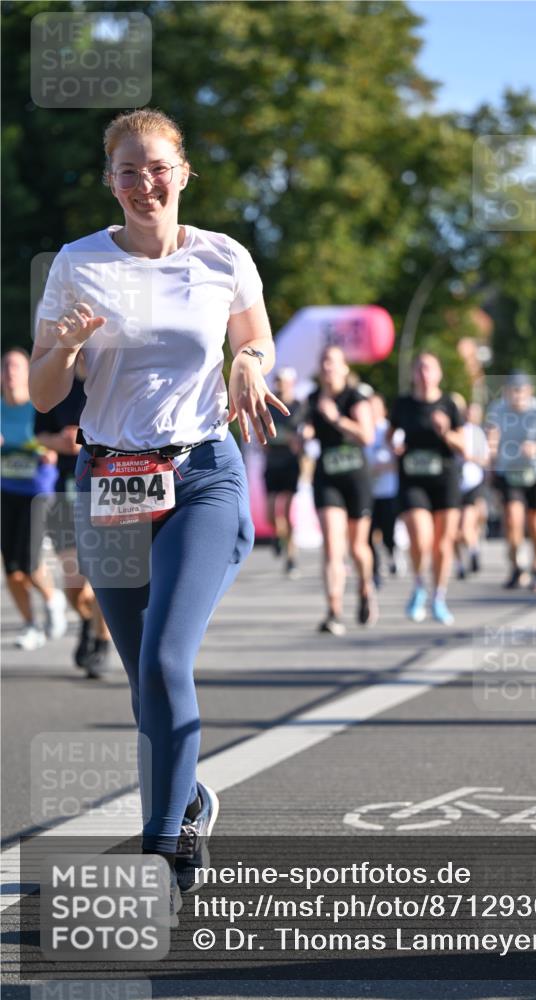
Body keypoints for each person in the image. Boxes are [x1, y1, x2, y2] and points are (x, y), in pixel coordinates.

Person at [29, 108, 287, 919]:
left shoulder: (223, 257)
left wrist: (246, 361)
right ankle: (186, 800)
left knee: (168, 662)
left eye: (158, 167)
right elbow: (42, 392)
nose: (146, 183)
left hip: (202, 470)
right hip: (108, 480)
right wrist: (64, 349)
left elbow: (258, 342)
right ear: (111, 180)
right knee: (145, 681)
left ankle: (160, 857)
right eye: (128, 171)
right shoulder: (76, 264)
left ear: (184, 173)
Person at [34, 357, 114, 676]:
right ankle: (86, 620)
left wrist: (83, 438)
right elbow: (39, 433)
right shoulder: (58, 381)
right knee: (74, 582)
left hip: (108, 485)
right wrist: (61, 442)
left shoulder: (112, 374)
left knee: (106, 574)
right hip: (65, 488)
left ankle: (102, 639)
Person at [300, 345, 376, 635]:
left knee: (358, 547)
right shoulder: (313, 399)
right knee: (333, 546)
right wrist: (302, 435)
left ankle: (366, 589)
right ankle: (334, 611)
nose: (328, 367)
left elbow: (366, 435)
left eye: (333, 362)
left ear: (344, 367)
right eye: (324, 362)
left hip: (356, 477)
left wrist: (335, 418)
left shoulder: (355, 397)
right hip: (327, 476)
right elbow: (304, 428)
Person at [389, 352, 465, 625]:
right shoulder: (403, 404)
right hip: (413, 479)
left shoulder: (450, 404)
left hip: (444, 480)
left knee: (443, 546)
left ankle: (439, 597)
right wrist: (393, 446)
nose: (424, 373)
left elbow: (464, 447)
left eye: (429, 368)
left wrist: (445, 431)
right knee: (421, 537)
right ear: (412, 373)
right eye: (419, 368)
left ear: (439, 374)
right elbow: (390, 435)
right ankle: (420, 585)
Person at [1, 347, 67, 649]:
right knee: (12, 570)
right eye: (5, 368)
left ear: (28, 374)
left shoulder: (39, 408)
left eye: (16, 367)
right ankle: (31, 624)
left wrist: (48, 450)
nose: (10, 373)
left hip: (38, 494)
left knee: (29, 563)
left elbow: (58, 442)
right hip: (6, 493)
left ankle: (53, 602)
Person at [486, 371, 536, 594]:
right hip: (508, 472)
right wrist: (491, 453)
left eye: (521, 390)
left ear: (530, 391)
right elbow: (491, 438)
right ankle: (517, 566)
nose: (516, 396)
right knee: (512, 519)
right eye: (512, 390)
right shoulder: (498, 410)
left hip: (534, 472)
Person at [262, 367, 302, 578]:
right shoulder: (269, 405)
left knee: (287, 511)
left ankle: (291, 556)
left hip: (290, 464)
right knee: (271, 512)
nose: (279, 384)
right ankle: (278, 536)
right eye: (277, 380)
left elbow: (303, 433)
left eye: (283, 381)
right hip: (272, 463)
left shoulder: (298, 407)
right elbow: (263, 436)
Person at [366, 393, 399, 587]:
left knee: (387, 533)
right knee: (369, 534)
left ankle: (392, 552)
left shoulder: (390, 430)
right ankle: (376, 570)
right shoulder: (363, 429)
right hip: (368, 491)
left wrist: (383, 468)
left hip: (388, 490)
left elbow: (399, 459)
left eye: (375, 406)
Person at [455, 401, 489, 579]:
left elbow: (485, 459)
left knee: (465, 525)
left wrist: (470, 457)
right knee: (453, 529)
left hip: (471, 483)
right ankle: (459, 563)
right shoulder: (453, 430)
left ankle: (473, 549)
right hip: (453, 485)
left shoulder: (476, 433)